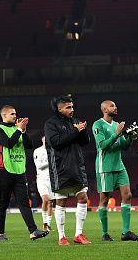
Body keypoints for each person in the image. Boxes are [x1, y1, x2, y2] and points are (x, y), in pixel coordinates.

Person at [0, 105, 48, 241]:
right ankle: (0, 233)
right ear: (4, 116)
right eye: (12, 114)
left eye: (15, 113)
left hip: (19, 171)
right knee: (2, 203)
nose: (15, 116)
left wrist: (23, 131)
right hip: (4, 171)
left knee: (24, 202)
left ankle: (33, 230)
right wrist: (18, 129)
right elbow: (8, 143)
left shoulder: (17, 130)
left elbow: (29, 145)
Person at [92, 100, 138, 242]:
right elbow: (102, 146)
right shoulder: (98, 124)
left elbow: (123, 146)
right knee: (104, 199)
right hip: (105, 167)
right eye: (112, 106)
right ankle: (105, 233)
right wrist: (116, 134)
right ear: (104, 109)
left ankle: (126, 232)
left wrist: (130, 138)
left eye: (115, 105)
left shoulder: (116, 125)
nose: (115, 107)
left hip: (119, 165)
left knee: (127, 195)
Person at [44, 96, 91, 246]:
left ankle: (78, 234)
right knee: (61, 201)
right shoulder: (51, 124)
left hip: (77, 166)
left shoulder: (75, 121)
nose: (72, 110)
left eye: (72, 107)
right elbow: (56, 142)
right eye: (68, 107)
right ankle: (62, 236)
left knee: (83, 197)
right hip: (60, 168)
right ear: (59, 109)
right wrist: (75, 131)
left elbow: (85, 142)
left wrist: (82, 131)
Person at [33, 135, 54, 232]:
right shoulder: (38, 151)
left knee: (51, 202)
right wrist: (50, 162)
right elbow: (39, 165)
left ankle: (48, 224)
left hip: (51, 180)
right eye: (45, 139)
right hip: (42, 179)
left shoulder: (53, 150)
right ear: (42, 140)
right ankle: (44, 222)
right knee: (46, 200)